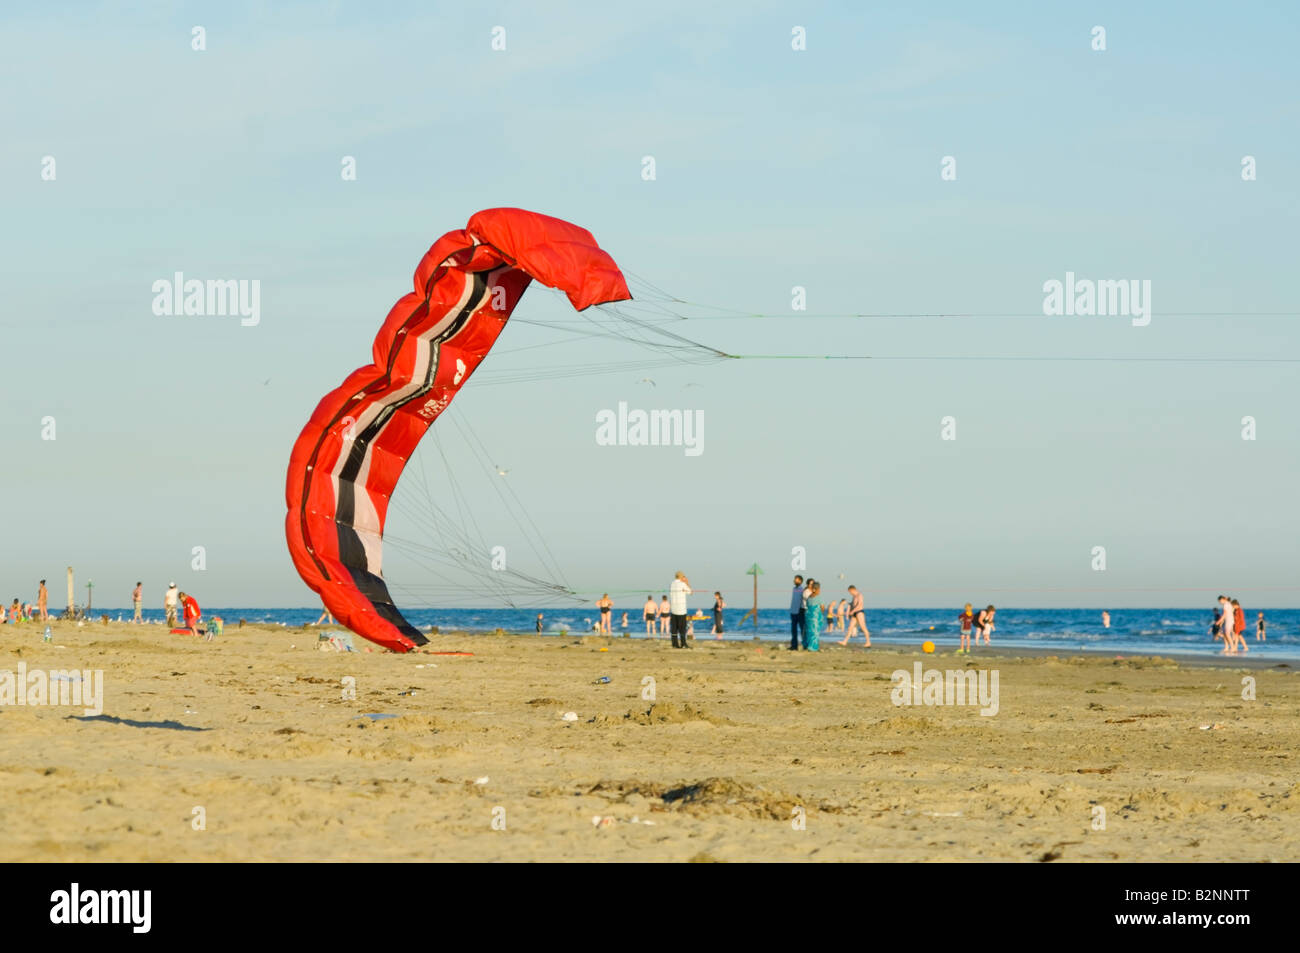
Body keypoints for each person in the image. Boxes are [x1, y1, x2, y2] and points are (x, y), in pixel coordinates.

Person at [668, 572, 692, 648]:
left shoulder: (672, 583)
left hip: (674, 609)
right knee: (682, 628)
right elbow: (690, 592)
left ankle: (674, 644)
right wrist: (687, 583)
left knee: (674, 628)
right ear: (681, 577)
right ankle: (683, 643)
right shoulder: (682, 584)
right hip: (681, 609)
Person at [804, 582, 823, 651]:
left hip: (808, 617)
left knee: (809, 631)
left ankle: (807, 645)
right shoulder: (818, 597)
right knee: (815, 632)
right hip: (815, 618)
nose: (819, 591)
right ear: (814, 589)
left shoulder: (808, 597)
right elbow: (822, 607)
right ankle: (813, 647)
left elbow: (807, 605)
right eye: (818, 589)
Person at [789, 575, 806, 651]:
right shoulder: (794, 589)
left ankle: (804, 645)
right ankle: (794, 645)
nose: (794, 581)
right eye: (794, 579)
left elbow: (803, 601)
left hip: (800, 612)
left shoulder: (802, 590)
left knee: (802, 629)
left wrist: (802, 610)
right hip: (793, 612)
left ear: (800, 581)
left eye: (796, 580)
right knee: (793, 630)